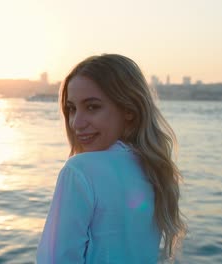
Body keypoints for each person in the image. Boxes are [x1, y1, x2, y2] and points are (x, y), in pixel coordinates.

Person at [36, 54, 186, 263]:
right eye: (72, 109)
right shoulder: (155, 171)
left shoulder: (80, 170)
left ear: (129, 110)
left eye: (92, 107)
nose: (76, 123)